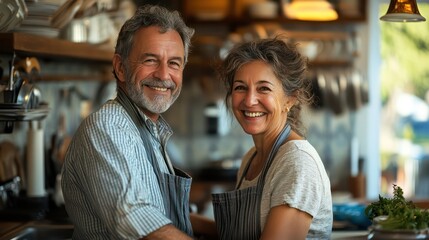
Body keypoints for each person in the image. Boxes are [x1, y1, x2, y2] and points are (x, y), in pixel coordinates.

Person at [61, 5, 216, 239]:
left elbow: (162, 215)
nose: (164, 75)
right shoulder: (110, 127)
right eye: (151, 60)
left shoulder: (148, 129)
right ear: (120, 68)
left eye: (174, 63)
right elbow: (137, 219)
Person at [212, 36, 333, 239]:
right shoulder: (250, 159)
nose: (250, 100)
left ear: (290, 99)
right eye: (240, 87)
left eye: (264, 88)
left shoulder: (296, 162)